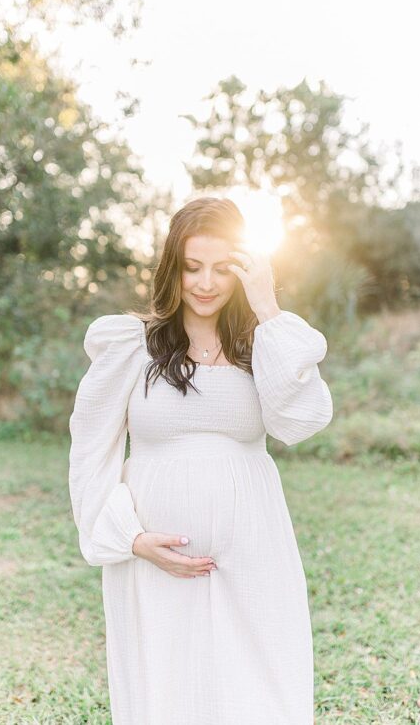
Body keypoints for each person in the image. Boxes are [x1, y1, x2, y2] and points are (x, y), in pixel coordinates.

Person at [68, 197, 332, 724]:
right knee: (166, 689)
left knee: (260, 687)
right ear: (172, 268)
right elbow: (90, 453)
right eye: (192, 267)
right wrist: (131, 539)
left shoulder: (263, 345)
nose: (206, 283)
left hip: (254, 550)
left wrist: (268, 307)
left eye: (222, 268)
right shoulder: (131, 345)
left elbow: (299, 422)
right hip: (153, 560)